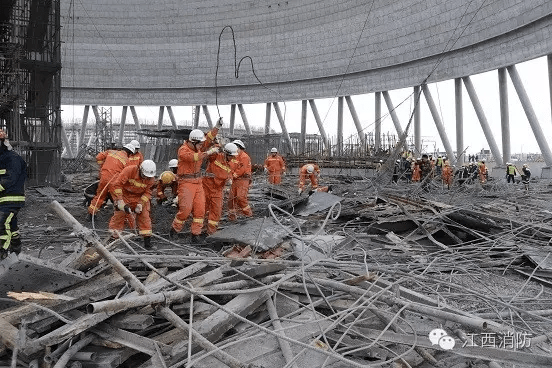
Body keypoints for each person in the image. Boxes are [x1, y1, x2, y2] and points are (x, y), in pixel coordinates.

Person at [169, 119, 223, 242]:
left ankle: (195, 234)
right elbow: (194, 158)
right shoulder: (183, 150)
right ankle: (174, 229)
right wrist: (209, 152)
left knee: (200, 210)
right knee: (185, 210)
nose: (201, 146)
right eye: (199, 144)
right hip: (186, 183)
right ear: (193, 142)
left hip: (198, 182)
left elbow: (208, 138)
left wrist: (217, 127)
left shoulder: (198, 146)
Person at [109, 160, 157, 248]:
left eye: (148, 177)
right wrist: (120, 200)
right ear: (140, 169)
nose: (145, 178)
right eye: (144, 176)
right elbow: (117, 184)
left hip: (139, 197)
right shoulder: (129, 170)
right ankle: (113, 239)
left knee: (145, 217)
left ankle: (147, 242)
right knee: (119, 215)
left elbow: (148, 193)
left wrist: (140, 204)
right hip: (125, 195)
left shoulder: (151, 179)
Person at [88, 143, 135, 216]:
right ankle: (121, 216)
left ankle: (91, 214)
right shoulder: (127, 161)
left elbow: (98, 157)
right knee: (118, 198)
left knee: (99, 197)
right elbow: (126, 175)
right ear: (130, 153)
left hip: (104, 178)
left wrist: (102, 166)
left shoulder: (111, 152)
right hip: (114, 181)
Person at [0, 130, 26, 259]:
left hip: (11, 199)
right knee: (12, 226)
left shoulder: (12, 158)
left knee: (2, 225)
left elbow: (10, 178)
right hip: (4, 199)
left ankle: (2, 254)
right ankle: (17, 253)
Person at [202, 143, 238, 235]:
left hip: (218, 189)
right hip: (206, 186)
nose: (232, 158)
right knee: (202, 209)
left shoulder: (232, 164)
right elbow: (206, 152)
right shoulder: (215, 156)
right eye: (231, 156)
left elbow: (230, 173)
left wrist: (230, 179)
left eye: (233, 156)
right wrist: (216, 147)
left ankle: (210, 232)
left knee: (216, 211)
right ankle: (199, 230)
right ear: (226, 153)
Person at [228, 139, 253, 221]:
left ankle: (248, 215)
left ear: (239, 147)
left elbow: (242, 169)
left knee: (241, 197)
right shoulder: (234, 156)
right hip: (235, 180)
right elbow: (230, 167)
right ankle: (233, 217)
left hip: (243, 180)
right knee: (231, 199)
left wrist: (233, 176)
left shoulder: (244, 157)